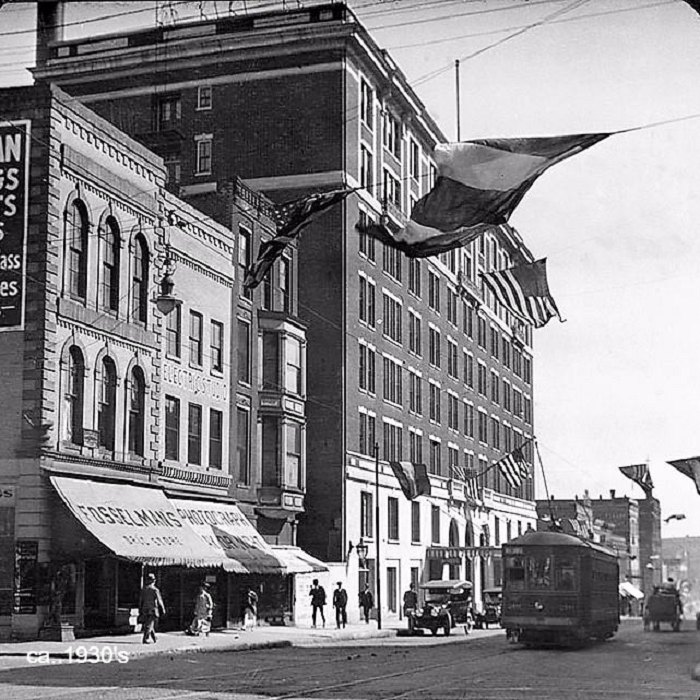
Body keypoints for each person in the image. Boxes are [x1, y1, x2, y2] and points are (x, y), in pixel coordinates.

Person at [139, 573, 165, 644]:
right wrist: (163, 608)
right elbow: (159, 600)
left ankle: (154, 637)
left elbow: (141, 600)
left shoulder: (144, 589)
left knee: (149, 623)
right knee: (149, 624)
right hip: (152, 609)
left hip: (145, 609)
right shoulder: (155, 590)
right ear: (153, 581)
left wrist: (140, 609)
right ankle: (145, 638)